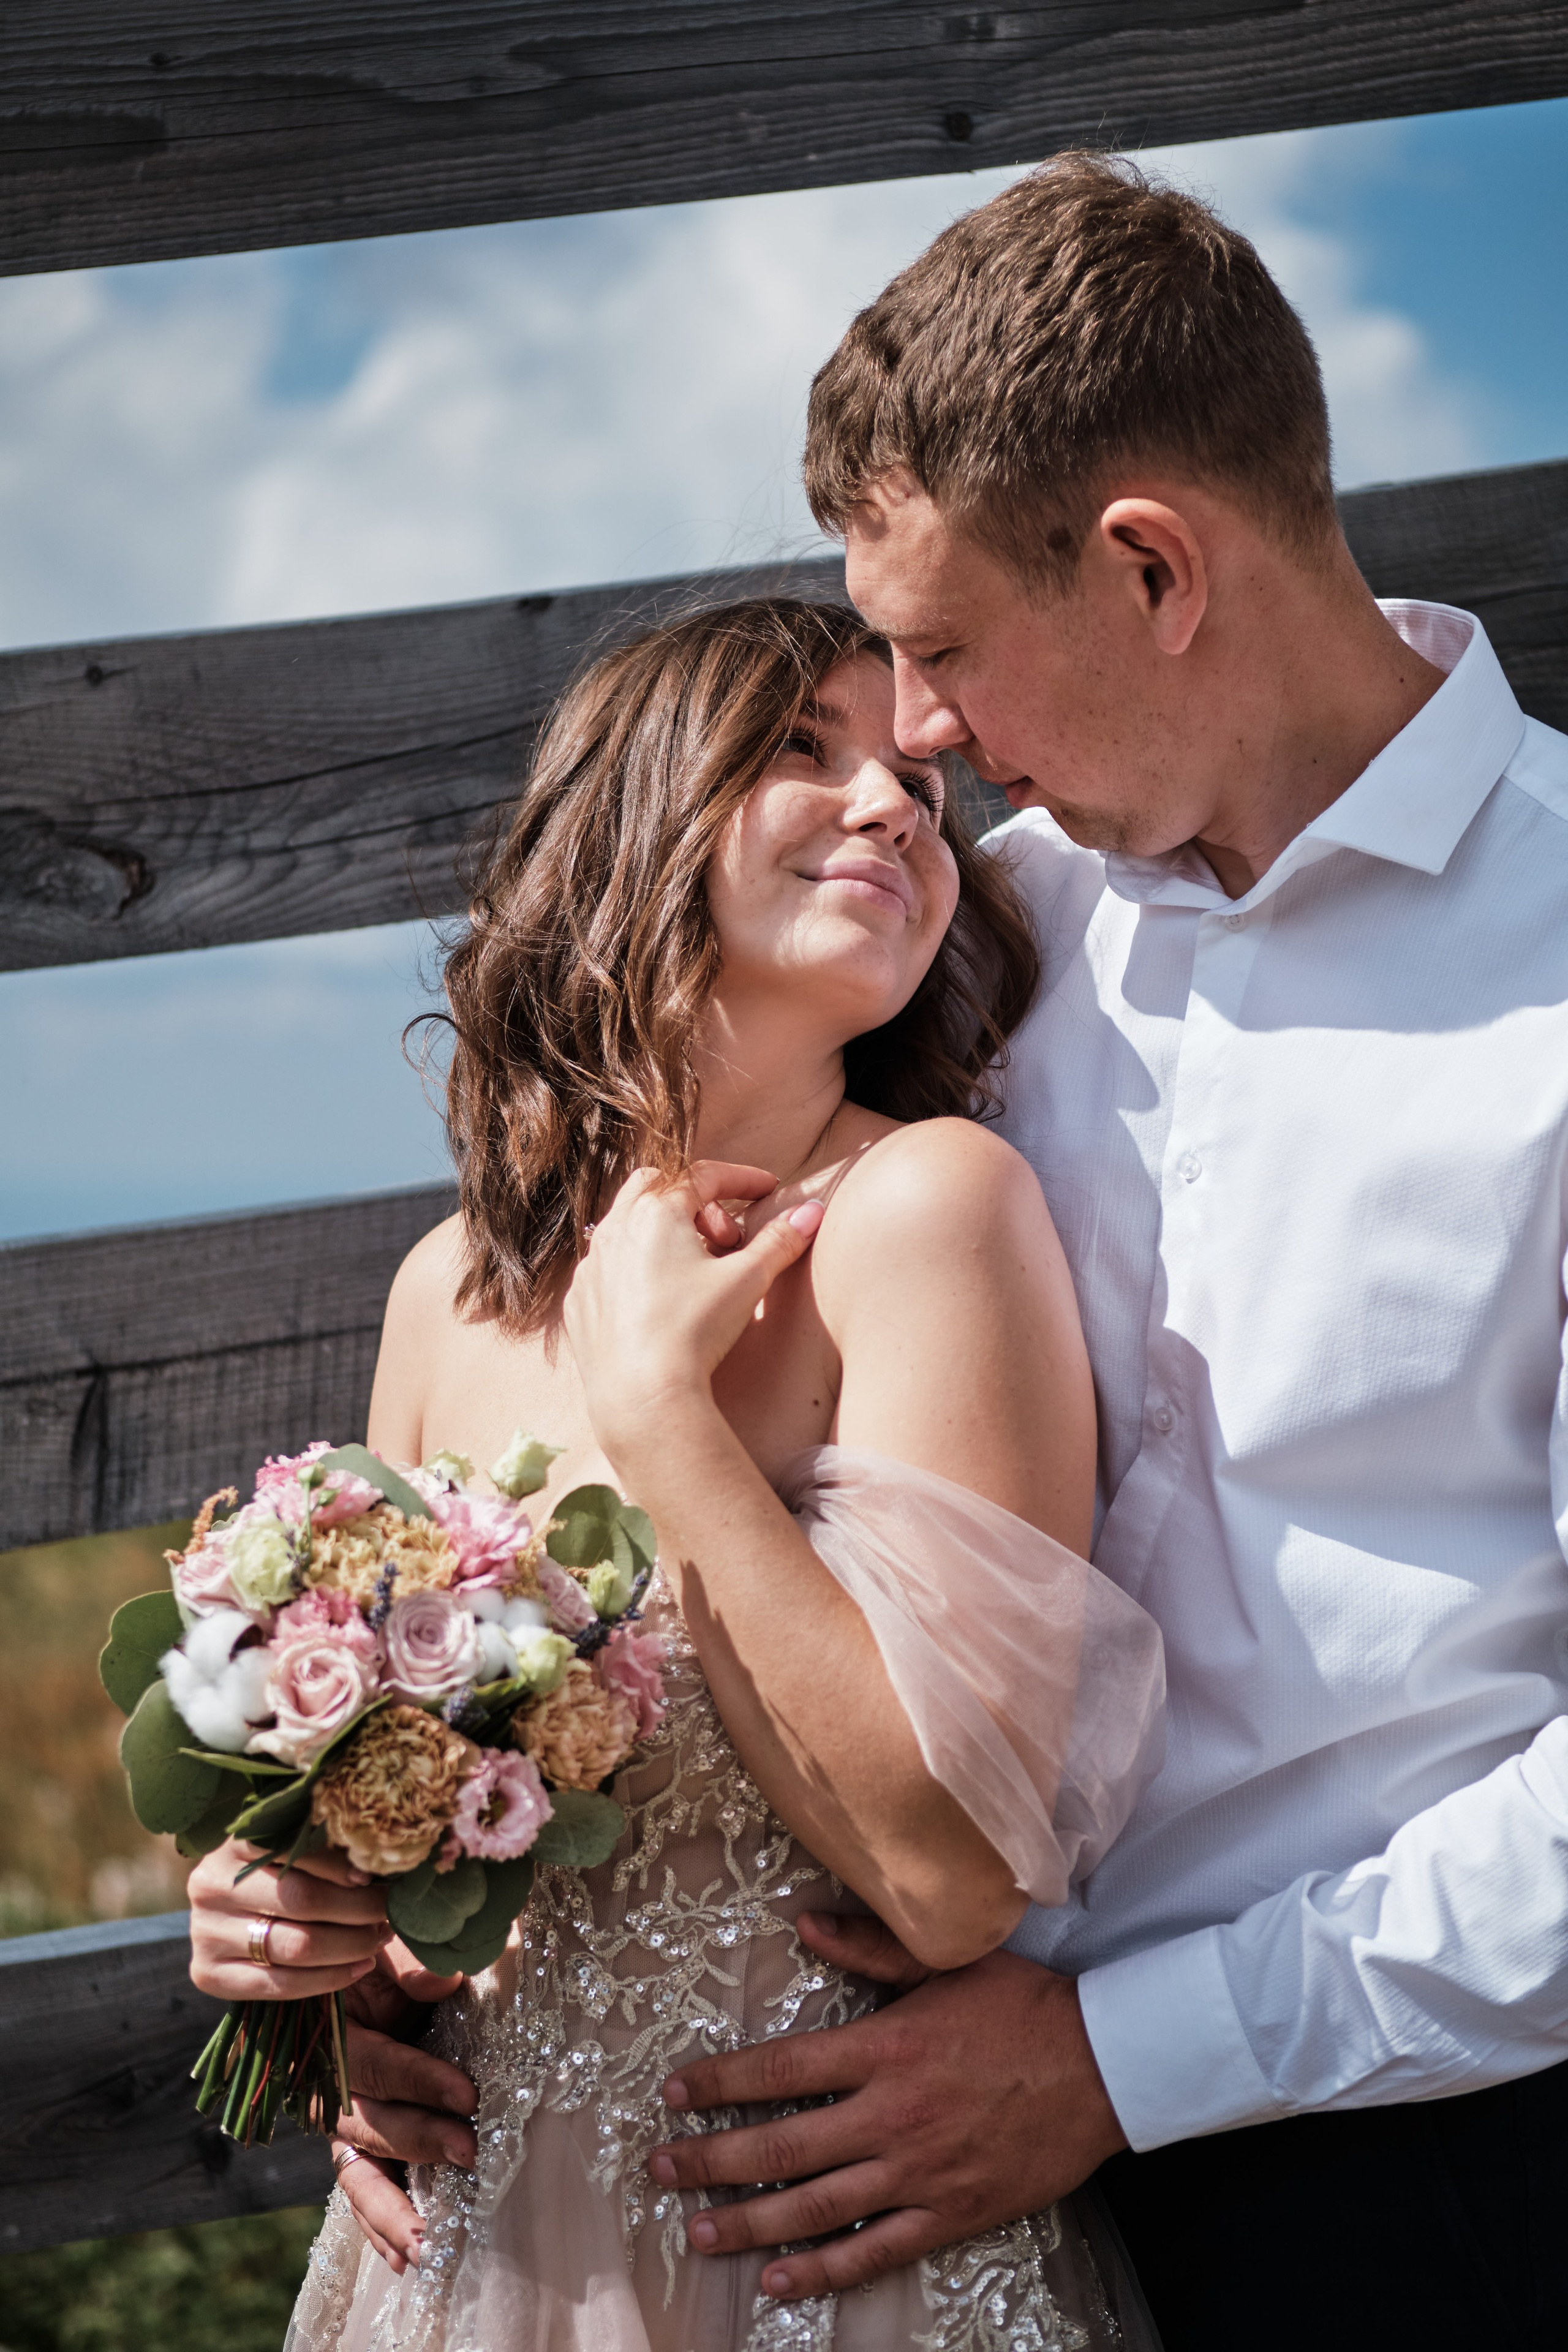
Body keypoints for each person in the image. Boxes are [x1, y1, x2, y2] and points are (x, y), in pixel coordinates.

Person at [206, 149, 1568, 2347]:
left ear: (1151, 568)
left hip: (1423, 2154)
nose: (919, 749)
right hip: (866, 2143)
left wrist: (1133, 2058)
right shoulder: (993, 937)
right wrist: (374, 1959)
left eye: (937, 654)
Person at [186, 594, 1167, 2351]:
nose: (894, 804)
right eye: (805, 748)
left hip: (823, 2252)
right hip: (479, 2256)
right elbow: (418, 1860)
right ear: (638, 816)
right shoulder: (447, 1292)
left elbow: (955, 1883)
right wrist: (315, 1972)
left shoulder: (932, 1213)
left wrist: (663, 1413)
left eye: (920, 787)